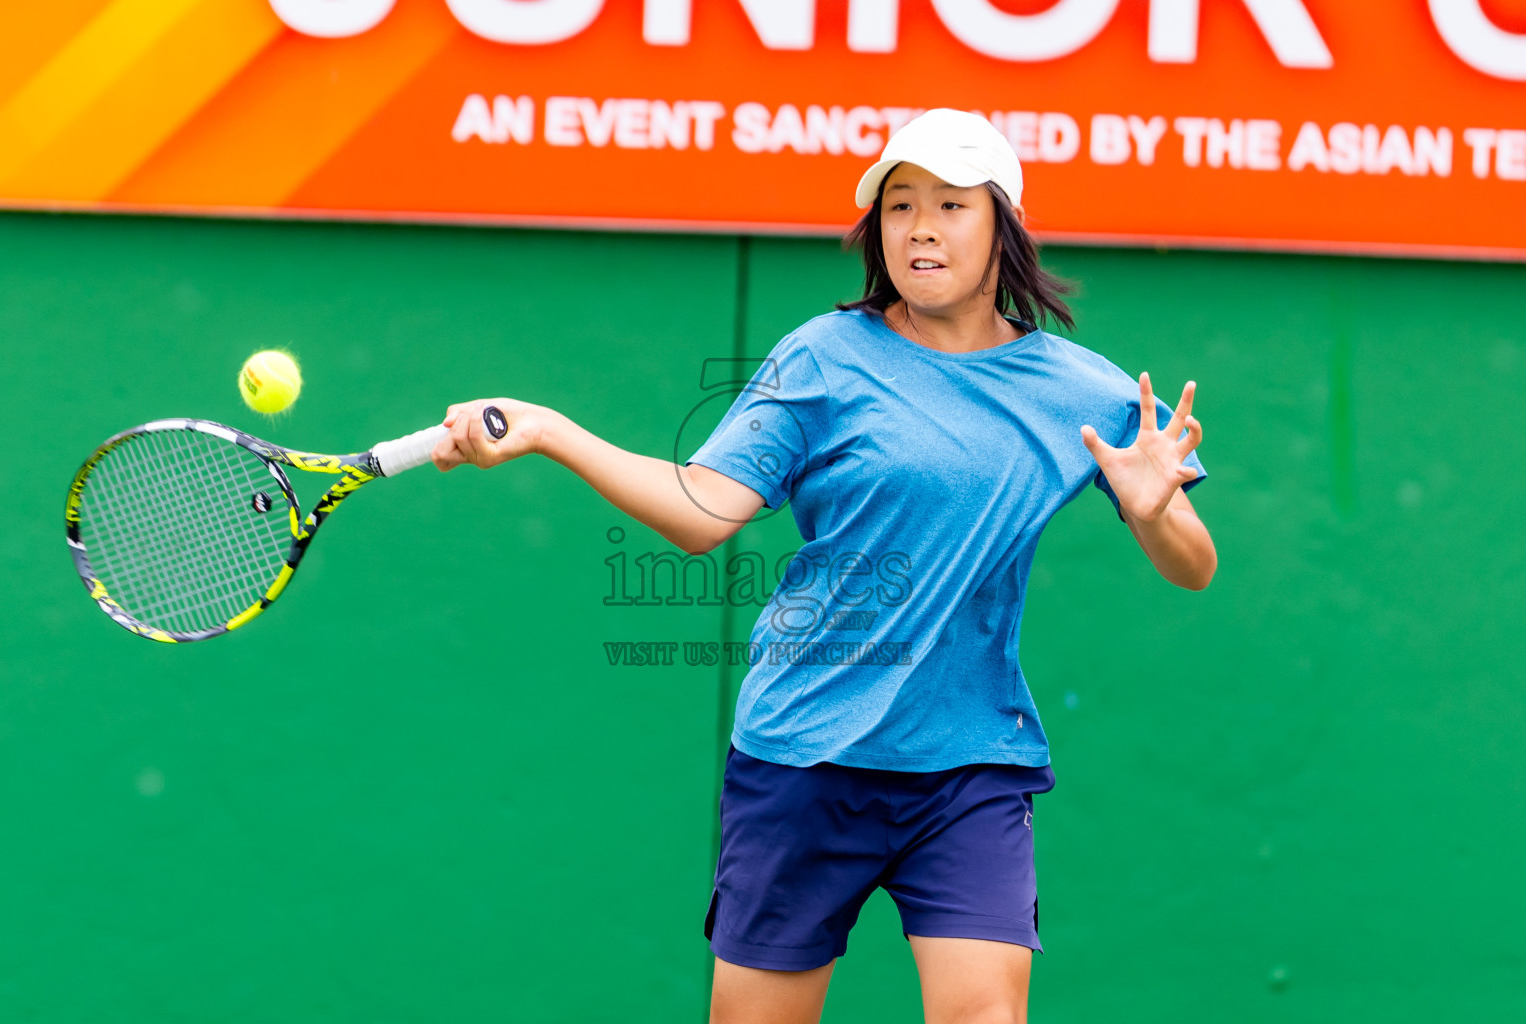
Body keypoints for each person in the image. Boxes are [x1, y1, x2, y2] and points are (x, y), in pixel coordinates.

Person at [434, 107, 1215, 1024]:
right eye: (900, 206)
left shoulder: (1083, 391)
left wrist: (1155, 509)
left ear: (1002, 224)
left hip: (970, 764)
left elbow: (1193, 566)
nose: (921, 227)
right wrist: (549, 431)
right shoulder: (822, 358)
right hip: (804, 754)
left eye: (951, 205)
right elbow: (702, 512)